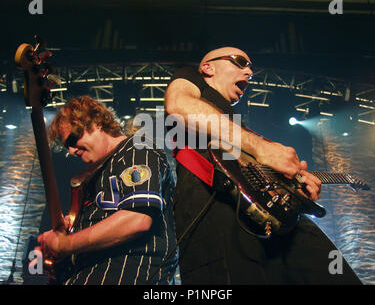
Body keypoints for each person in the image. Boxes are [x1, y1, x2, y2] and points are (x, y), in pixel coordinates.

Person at [164, 46, 362, 284]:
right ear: (208, 67)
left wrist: (292, 188)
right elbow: (178, 106)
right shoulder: (191, 78)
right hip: (216, 208)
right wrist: (263, 148)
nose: (249, 71)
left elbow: (252, 172)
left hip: (272, 219)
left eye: (251, 67)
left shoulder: (237, 127)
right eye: (240, 61)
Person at [36, 95, 178, 285]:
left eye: (73, 138)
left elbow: (137, 219)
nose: (70, 151)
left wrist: (66, 244)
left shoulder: (136, 149)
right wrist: (58, 256)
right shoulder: (90, 179)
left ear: (96, 122)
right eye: (66, 145)